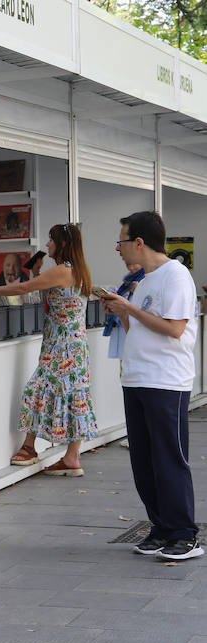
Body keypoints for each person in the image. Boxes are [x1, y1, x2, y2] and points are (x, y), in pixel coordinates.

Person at [102, 211, 202, 561]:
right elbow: (142, 331)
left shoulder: (175, 275)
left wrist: (130, 307)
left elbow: (175, 328)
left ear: (139, 242)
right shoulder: (144, 280)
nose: (118, 249)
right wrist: (123, 314)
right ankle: (160, 527)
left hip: (166, 381)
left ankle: (184, 533)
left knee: (169, 458)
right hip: (138, 377)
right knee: (144, 461)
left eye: (121, 241)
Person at [0, 224, 98, 476]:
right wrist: (37, 272)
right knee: (74, 397)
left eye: (51, 241)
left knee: (37, 389)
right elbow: (52, 295)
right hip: (75, 346)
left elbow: (24, 288)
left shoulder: (62, 271)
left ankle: (29, 447)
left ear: (63, 244)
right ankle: (71, 457)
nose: (47, 246)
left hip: (60, 346)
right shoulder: (79, 271)